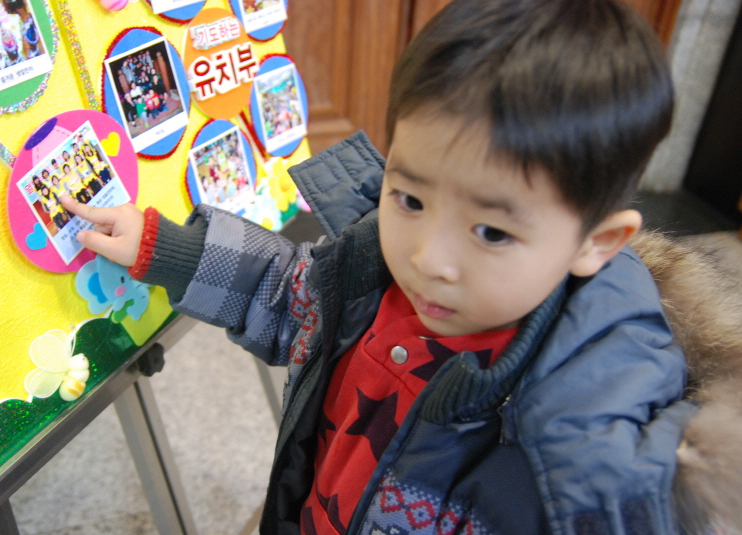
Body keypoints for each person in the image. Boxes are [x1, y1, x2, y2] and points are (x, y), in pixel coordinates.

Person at [60, 1, 742, 533]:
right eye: (410, 198)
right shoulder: (370, 279)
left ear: (597, 241)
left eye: (491, 231)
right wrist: (165, 248)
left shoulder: (592, 461)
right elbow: (283, 292)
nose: (426, 258)